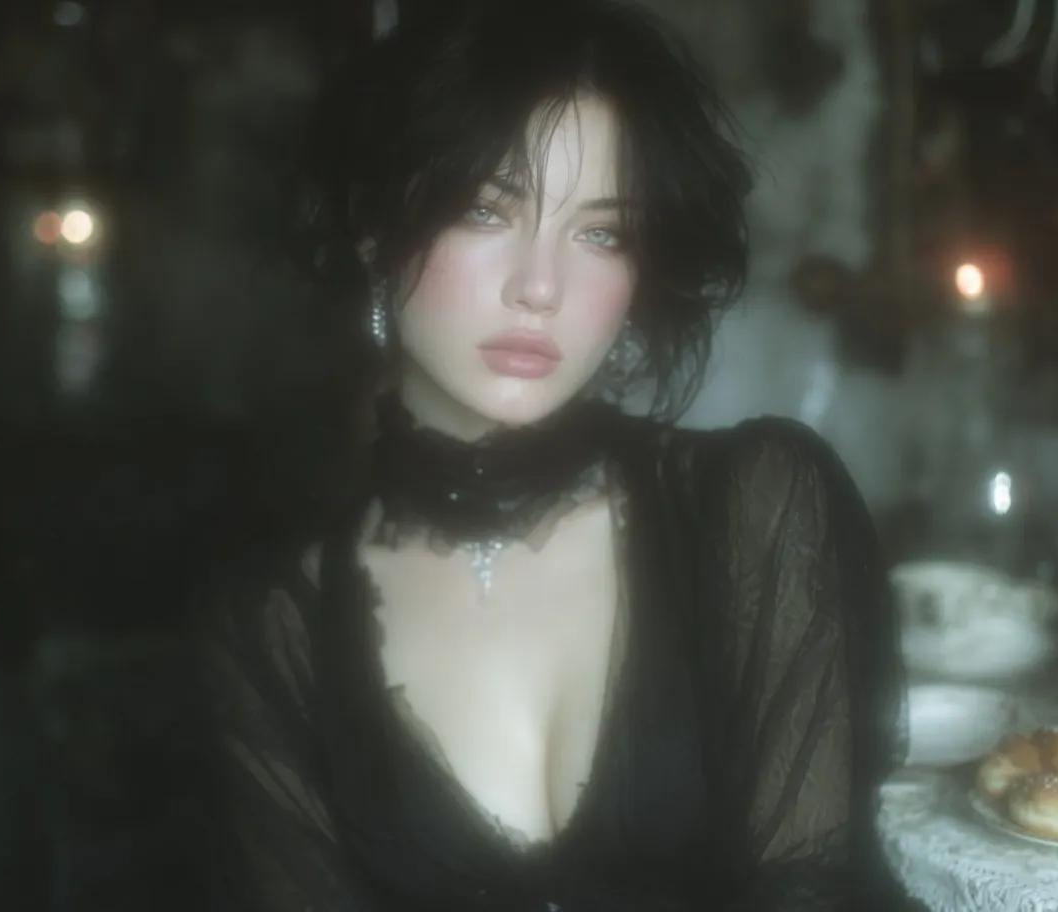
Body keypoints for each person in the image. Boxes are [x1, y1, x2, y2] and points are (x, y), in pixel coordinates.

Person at [199, 1, 907, 909]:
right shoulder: (273, 626)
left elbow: (811, 885)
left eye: (600, 232)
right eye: (484, 210)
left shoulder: (756, 506)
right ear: (374, 232)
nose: (540, 286)